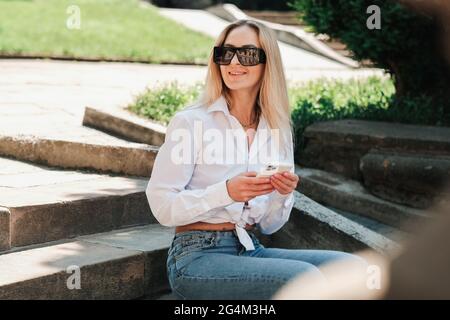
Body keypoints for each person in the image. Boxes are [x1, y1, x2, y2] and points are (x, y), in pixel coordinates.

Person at [146, 19, 364, 300]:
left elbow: (270, 225)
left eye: (247, 54)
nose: (234, 62)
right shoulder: (191, 122)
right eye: (225, 53)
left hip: (249, 246)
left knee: (353, 268)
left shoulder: (277, 128)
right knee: (304, 279)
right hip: (194, 257)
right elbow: (162, 207)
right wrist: (225, 192)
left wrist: (281, 194)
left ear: (266, 63)